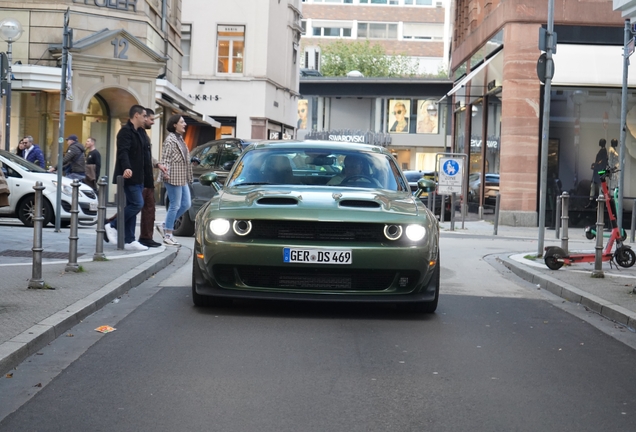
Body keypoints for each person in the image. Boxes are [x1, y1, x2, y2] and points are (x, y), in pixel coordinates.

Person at [104, 105, 150, 251]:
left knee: (133, 206)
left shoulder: (141, 132)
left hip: (140, 176)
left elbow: (145, 155)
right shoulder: (125, 131)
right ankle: (112, 225)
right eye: (144, 115)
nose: (146, 118)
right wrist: (127, 167)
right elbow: (123, 152)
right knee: (137, 204)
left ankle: (129, 239)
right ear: (136, 115)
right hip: (128, 176)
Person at [156, 114, 193, 246]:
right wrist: (165, 172)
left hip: (181, 177)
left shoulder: (180, 139)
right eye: (182, 122)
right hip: (171, 177)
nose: (184, 124)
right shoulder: (170, 140)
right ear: (174, 125)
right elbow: (165, 158)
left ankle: (165, 224)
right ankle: (168, 234)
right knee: (175, 205)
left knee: (186, 204)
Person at [138, 108, 168, 248]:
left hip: (147, 178)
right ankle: (111, 223)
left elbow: (148, 156)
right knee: (134, 206)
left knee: (149, 208)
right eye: (151, 119)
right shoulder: (136, 133)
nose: (152, 122)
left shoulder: (144, 134)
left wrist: (157, 164)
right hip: (141, 178)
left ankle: (146, 237)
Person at [587, 138, 609, 208]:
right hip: (600, 171)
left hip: (600, 171)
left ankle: (599, 203)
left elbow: (601, 162)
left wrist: (595, 165)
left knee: (599, 186)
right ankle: (593, 201)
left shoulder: (603, 152)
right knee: (595, 186)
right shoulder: (603, 151)